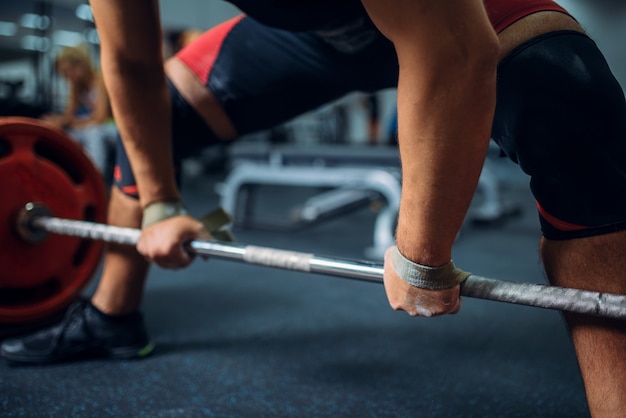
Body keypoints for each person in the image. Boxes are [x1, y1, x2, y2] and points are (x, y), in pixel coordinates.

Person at [2, 0, 625, 415]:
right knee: (152, 123)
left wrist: (422, 253)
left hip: (459, 12)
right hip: (306, 33)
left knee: (572, 106)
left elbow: (454, 49)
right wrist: (161, 202)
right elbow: (132, 64)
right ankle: (113, 319)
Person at [42, 45, 117, 178]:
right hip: (90, 125)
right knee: (64, 134)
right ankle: (63, 175)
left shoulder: (100, 80)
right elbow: (69, 115)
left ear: (80, 66)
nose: (66, 77)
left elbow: (100, 117)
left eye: (67, 72)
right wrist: (57, 122)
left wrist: (68, 122)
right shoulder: (76, 87)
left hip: (111, 126)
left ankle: (95, 177)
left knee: (94, 133)